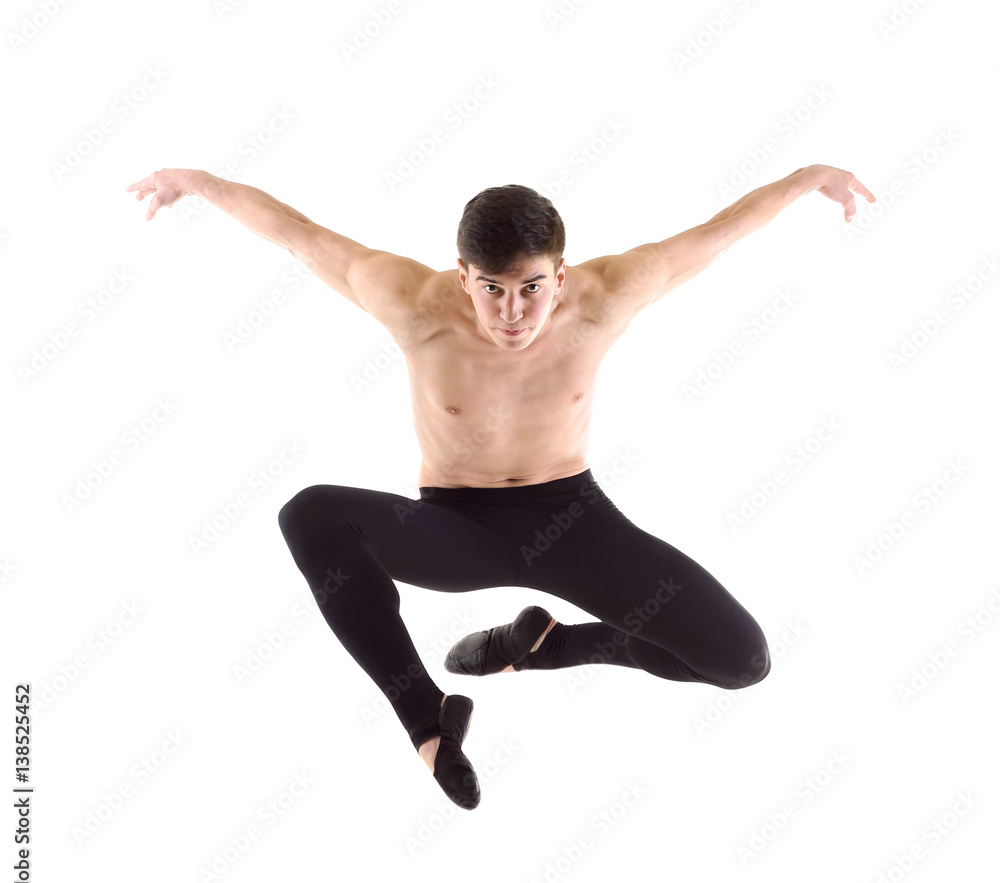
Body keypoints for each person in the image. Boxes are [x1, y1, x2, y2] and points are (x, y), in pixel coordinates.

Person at [126, 165, 875, 810]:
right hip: (457, 529)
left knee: (741, 661)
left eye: (531, 288)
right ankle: (427, 716)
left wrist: (809, 177)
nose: (512, 313)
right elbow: (299, 234)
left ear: (561, 273)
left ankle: (551, 647)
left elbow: (717, 233)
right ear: (462, 275)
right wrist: (200, 183)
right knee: (309, 514)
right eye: (491, 289)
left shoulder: (608, 295)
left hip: (576, 521)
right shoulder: (413, 303)